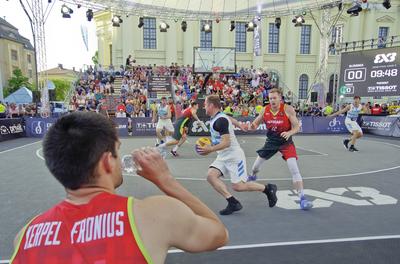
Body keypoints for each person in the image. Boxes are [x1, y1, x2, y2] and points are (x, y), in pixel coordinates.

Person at [11, 112, 228, 264]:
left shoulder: (25, 236)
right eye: (117, 149)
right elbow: (218, 234)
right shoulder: (154, 215)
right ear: (107, 162)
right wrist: (166, 180)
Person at [197, 95, 278, 215]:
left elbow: (226, 142)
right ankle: (232, 202)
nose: (204, 107)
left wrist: (210, 149)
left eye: (205, 105)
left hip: (234, 156)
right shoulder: (219, 116)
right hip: (223, 155)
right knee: (211, 176)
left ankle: (267, 189)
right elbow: (230, 118)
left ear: (211, 105)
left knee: (238, 186)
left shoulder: (221, 120)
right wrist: (240, 125)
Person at [244, 88, 313, 210]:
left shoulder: (288, 109)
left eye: (274, 98)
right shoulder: (265, 110)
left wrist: (289, 132)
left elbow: (297, 127)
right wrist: (250, 126)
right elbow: (255, 124)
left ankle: (302, 198)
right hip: (271, 142)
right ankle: (253, 176)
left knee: (294, 169)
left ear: (280, 98)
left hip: (286, 143)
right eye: (270, 98)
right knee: (255, 167)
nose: (272, 100)